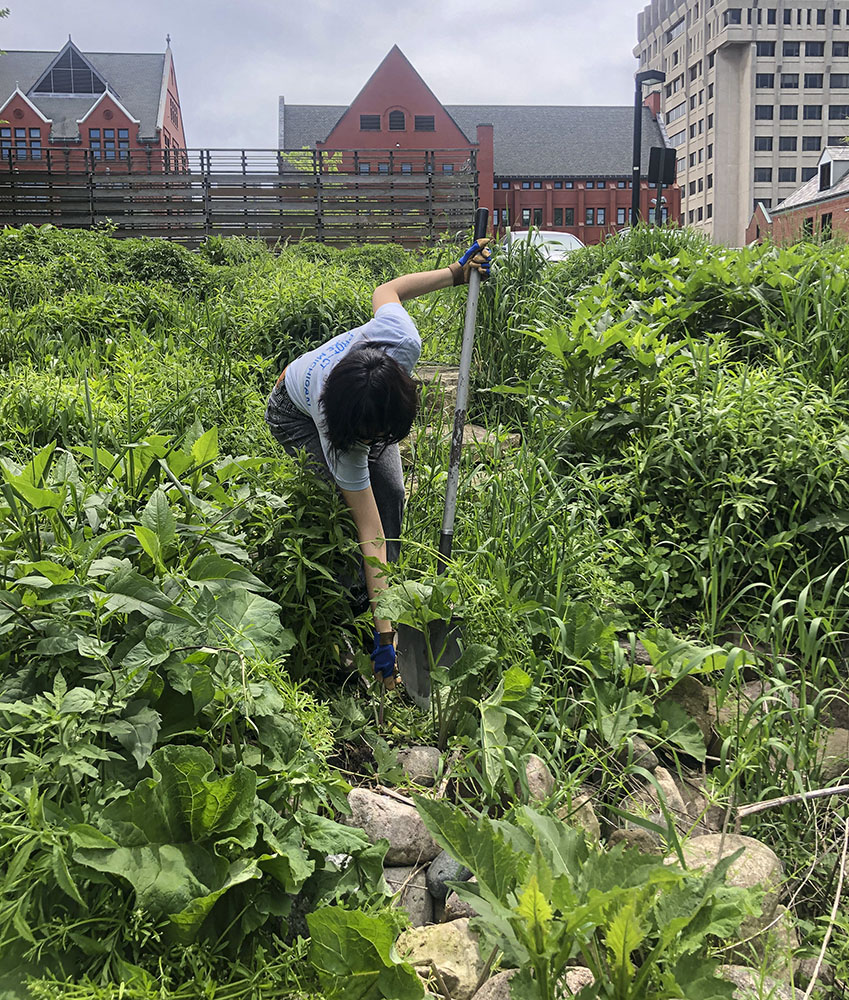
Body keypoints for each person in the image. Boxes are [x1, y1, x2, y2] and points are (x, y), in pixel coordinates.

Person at [265, 238, 491, 687]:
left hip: (362, 401)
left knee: (391, 491)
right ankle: (356, 605)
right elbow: (368, 533)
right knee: (346, 510)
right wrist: (383, 641)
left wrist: (454, 273)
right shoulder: (339, 436)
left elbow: (387, 290)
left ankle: (387, 596)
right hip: (294, 413)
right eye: (370, 443)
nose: (375, 447)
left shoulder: (400, 341)